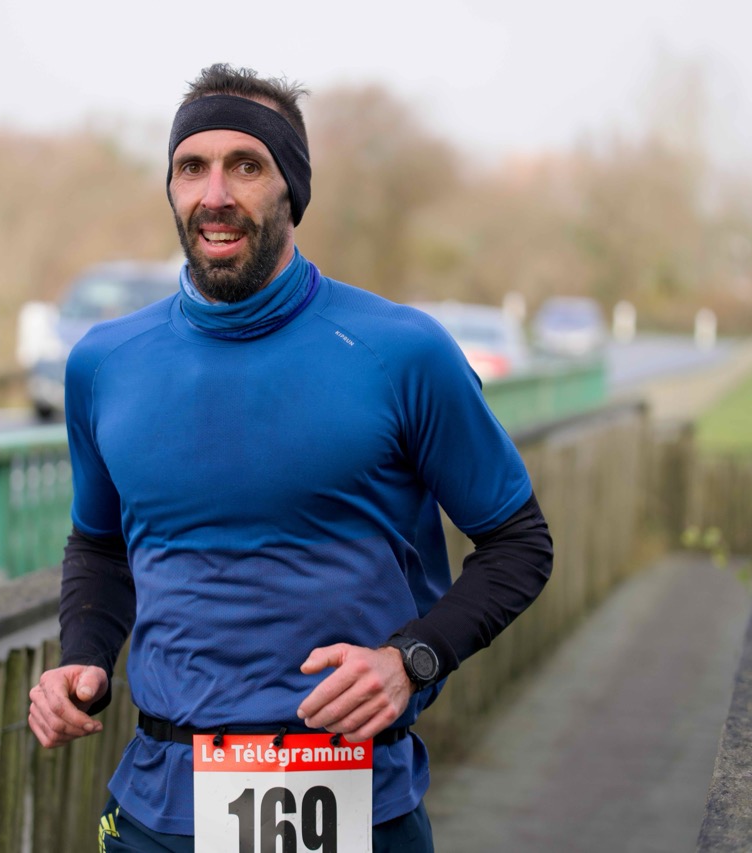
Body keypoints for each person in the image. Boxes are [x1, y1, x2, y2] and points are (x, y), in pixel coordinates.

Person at [28, 63, 554, 852]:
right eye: (191, 167)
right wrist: (83, 658)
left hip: (356, 803)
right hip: (160, 809)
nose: (214, 194)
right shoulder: (104, 363)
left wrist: (412, 658)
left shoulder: (401, 351)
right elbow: (101, 545)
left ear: (292, 188)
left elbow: (519, 542)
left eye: (246, 165)